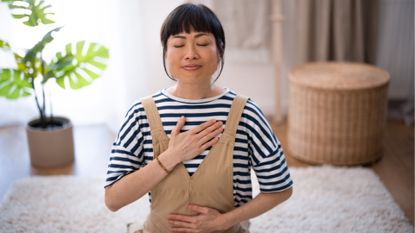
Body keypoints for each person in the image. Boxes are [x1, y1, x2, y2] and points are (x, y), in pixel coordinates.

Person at [104, 3, 293, 233]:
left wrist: (223, 221)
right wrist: (172, 157)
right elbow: (113, 199)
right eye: (179, 44)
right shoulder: (140, 113)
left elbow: (280, 188)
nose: (191, 54)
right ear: (166, 52)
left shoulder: (247, 113)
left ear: (220, 50)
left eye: (202, 43)